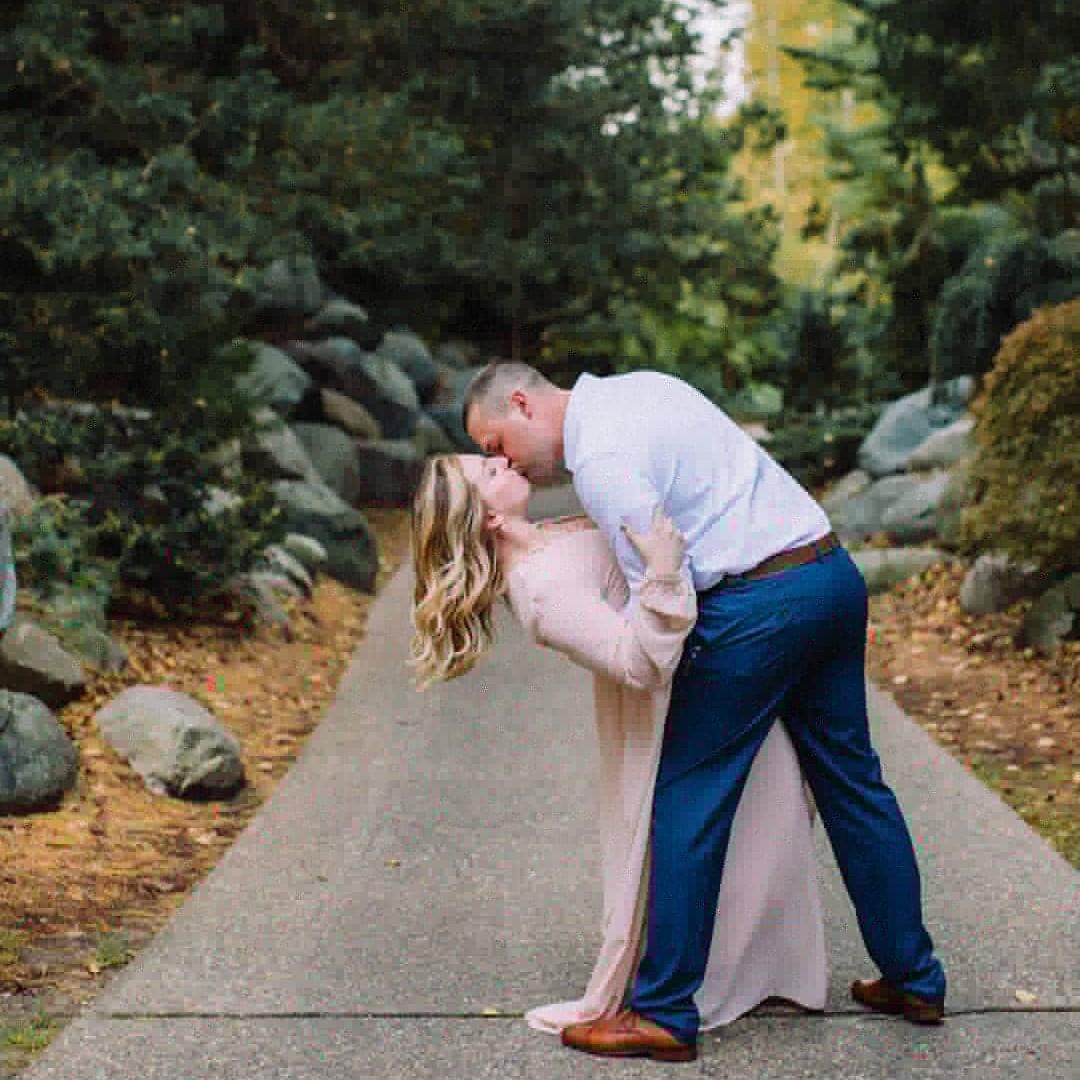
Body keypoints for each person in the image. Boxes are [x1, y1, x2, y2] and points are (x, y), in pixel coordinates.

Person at [462, 362, 947, 1062]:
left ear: (521, 403)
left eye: (497, 444)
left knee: (688, 798)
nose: (505, 461)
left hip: (757, 607)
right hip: (829, 574)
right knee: (855, 786)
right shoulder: (642, 387)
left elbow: (663, 601)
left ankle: (662, 1011)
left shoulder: (600, 461)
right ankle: (915, 976)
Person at [410, 453, 827, 1063]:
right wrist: (662, 573)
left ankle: (757, 967)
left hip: (707, 678)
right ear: (489, 518)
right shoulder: (540, 591)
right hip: (669, 709)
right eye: (489, 472)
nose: (501, 460)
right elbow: (638, 664)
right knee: (717, 830)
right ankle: (704, 980)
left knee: (768, 814)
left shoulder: (547, 534)